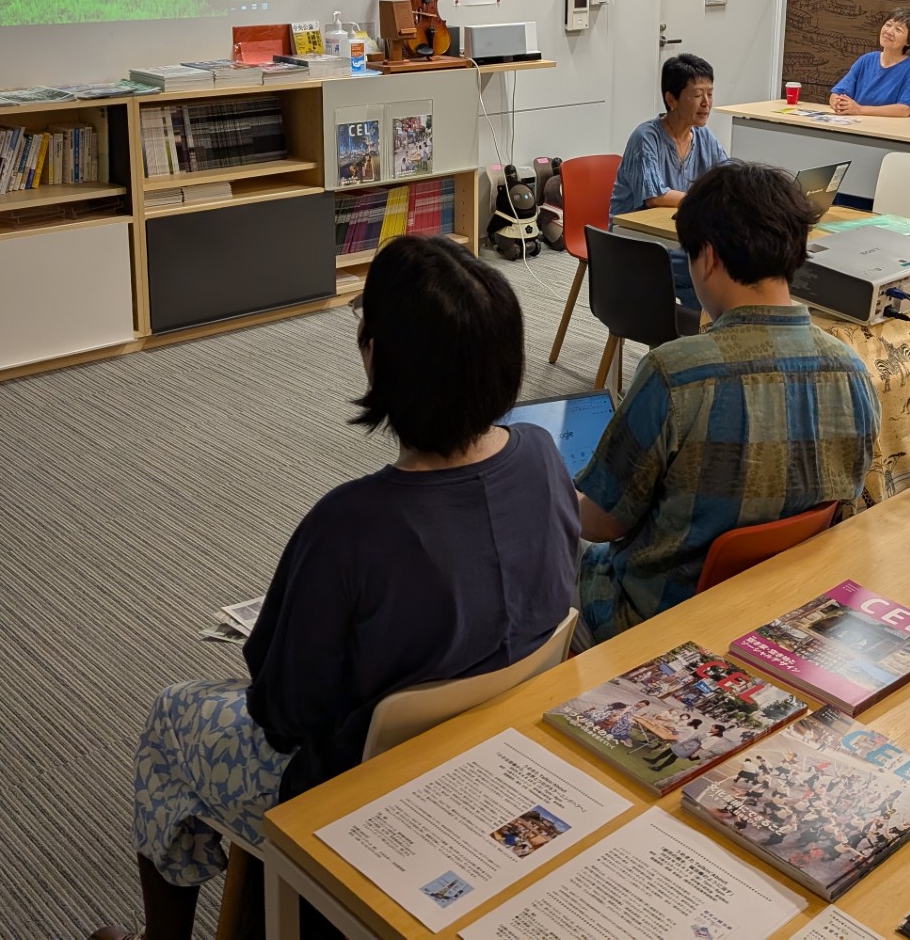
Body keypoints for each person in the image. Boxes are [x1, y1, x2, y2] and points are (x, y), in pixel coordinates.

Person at [92, 236, 579, 940]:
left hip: (357, 788)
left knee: (174, 715)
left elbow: (283, 709)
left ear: (377, 358)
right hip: (501, 745)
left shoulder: (349, 525)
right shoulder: (541, 457)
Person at [577, 161, 880, 644]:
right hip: (781, 618)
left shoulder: (675, 373)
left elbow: (600, 521)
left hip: (662, 623)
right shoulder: (853, 373)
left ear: (709, 259)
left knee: (558, 550)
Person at [611, 53, 728, 309]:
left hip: (677, 238)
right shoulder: (646, 138)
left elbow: (727, 179)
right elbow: (655, 197)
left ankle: (700, 333)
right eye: (697, 95)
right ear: (671, 99)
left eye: (710, 93)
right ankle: (694, 335)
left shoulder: (704, 136)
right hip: (636, 243)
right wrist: (702, 201)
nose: (706, 103)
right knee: (710, 268)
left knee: (727, 262)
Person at [828, 8, 910, 117]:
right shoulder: (866, 60)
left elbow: (904, 110)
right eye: (888, 25)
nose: (889, 32)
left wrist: (859, 109)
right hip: (857, 125)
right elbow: (837, 93)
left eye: (898, 30)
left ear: (909, 41)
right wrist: (838, 103)